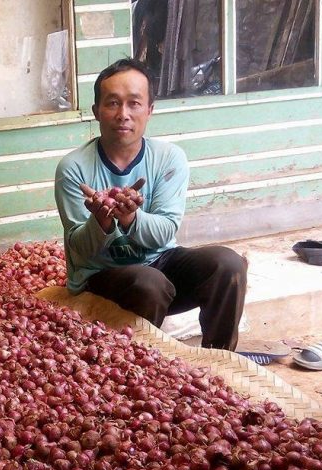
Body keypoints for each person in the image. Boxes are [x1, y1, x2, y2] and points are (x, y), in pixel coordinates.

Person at [54, 58, 247, 351]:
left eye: (134, 103)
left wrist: (131, 219)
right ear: (96, 112)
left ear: (150, 110)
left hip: (159, 263)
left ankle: (218, 364)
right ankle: (143, 365)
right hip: (101, 275)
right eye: (112, 103)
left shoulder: (169, 158)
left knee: (227, 265)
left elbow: (165, 231)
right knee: (149, 283)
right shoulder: (73, 168)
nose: (123, 114)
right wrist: (101, 222)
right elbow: (79, 248)